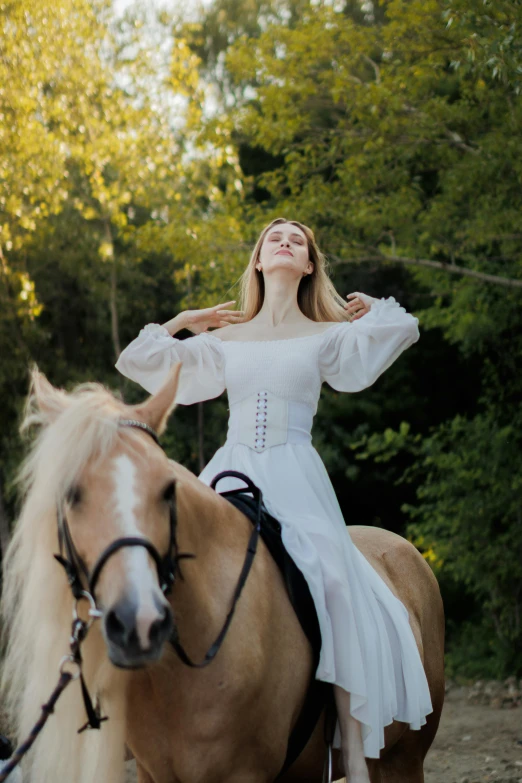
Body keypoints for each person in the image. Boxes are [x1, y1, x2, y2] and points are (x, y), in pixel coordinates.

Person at [115, 217, 433, 782]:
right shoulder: (225, 340)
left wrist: (373, 306)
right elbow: (144, 360)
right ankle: (129, 718)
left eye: (298, 241)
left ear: (308, 265)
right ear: (259, 261)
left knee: (335, 579)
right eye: (273, 239)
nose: (285, 243)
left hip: (294, 475)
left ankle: (346, 735)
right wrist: (185, 322)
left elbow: (400, 329)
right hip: (230, 474)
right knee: (169, 565)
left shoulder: (325, 335)